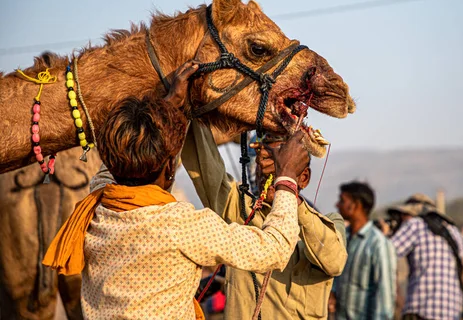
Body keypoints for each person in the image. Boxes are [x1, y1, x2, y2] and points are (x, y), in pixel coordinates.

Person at [43, 61, 308, 319]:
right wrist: (286, 177)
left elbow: (111, 167)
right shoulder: (180, 225)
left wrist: (169, 106)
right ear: (171, 166)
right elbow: (274, 248)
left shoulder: (99, 205)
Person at [184, 132, 348, 320]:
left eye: (281, 163)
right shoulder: (241, 211)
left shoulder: (329, 224)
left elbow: (334, 262)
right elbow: (200, 157)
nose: (266, 169)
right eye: (264, 161)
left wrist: (286, 182)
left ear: (303, 178)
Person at [389, 193, 463, 320]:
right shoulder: (454, 232)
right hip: (453, 311)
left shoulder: (415, 224)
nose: (401, 220)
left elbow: (386, 253)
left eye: (404, 215)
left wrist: (384, 235)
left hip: (421, 309)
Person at [332, 181, 396, 320]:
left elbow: (384, 295)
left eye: (342, 200)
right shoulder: (344, 239)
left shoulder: (378, 244)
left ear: (356, 205)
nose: (337, 205)